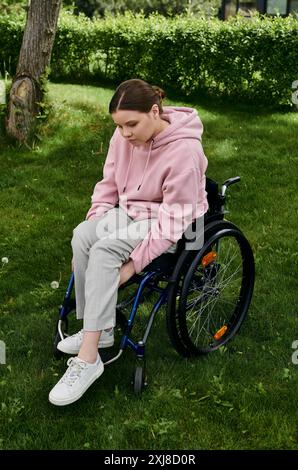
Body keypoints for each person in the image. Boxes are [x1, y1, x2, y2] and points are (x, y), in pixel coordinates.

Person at [49, 78, 208, 406]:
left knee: (105, 253)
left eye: (131, 125)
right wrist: (94, 222)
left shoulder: (185, 151)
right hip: (130, 212)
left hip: (170, 224)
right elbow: (108, 184)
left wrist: (133, 267)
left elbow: (173, 222)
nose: (124, 134)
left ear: (154, 111)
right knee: (83, 237)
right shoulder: (124, 135)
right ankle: (99, 328)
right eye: (119, 126)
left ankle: (89, 358)